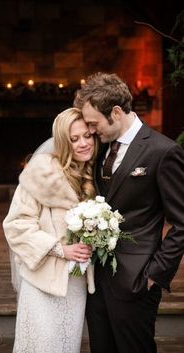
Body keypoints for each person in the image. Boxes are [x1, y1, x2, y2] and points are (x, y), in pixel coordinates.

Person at [73, 72, 184, 353]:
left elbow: (182, 224)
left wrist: (154, 275)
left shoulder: (163, 151)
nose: (91, 131)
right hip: (96, 283)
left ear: (117, 112)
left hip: (137, 282)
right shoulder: (98, 149)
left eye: (94, 123)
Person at [3, 107, 98, 353]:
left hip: (75, 283)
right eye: (74, 139)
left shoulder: (94, 174)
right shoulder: (41, 174)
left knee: (67, 345)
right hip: (43, 280)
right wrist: (59, 249)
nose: (83, 144)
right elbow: (16, 226)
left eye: (87, 136)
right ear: (63, 143)